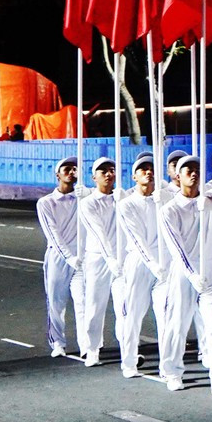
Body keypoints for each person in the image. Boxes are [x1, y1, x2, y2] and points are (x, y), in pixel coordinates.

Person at [157, 154, 212, 392]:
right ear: (177, 176)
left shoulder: (211, 204)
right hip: (184, 273)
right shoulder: (169, 210)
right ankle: (172, 371)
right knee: (177, 324)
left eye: (197, 170)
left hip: (211, 271)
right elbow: (176, 247)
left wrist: (211, 205)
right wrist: (192, 274)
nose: (193, 174)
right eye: (188, 170)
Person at [113, 155, 163, 379]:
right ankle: (129, 361)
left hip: (163, 262)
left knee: (165, 314)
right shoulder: (126, 204)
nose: (148, 172)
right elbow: (138, 238)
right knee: (133, 314)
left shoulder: (164, 199)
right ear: (134, 176)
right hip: (139, 262)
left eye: (151, 168)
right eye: (143, 169)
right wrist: (153, 263)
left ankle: (169, 366)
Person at [75, 156, 120, 366]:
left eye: (111, 170)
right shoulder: (87, 203)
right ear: (94, 177)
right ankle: (92, 348)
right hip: (97, 258)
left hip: (120, 259)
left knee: (125, 305)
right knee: (94, 304)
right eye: (104, 172)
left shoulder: (122, 198)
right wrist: (109, 258)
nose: (109, 175)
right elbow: (99, 233)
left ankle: (129, 349)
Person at [35, 158, 82, 358]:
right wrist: (69, 257)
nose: (71, 172)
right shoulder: (46, 203)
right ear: (58, 175)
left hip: (81, 258)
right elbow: (53, 235)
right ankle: (57, 343)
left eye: (74, 169)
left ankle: (87, 344)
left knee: (83, 301)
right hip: (58, 257)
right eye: (66, 169)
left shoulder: (83, 198)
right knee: (56, 302)